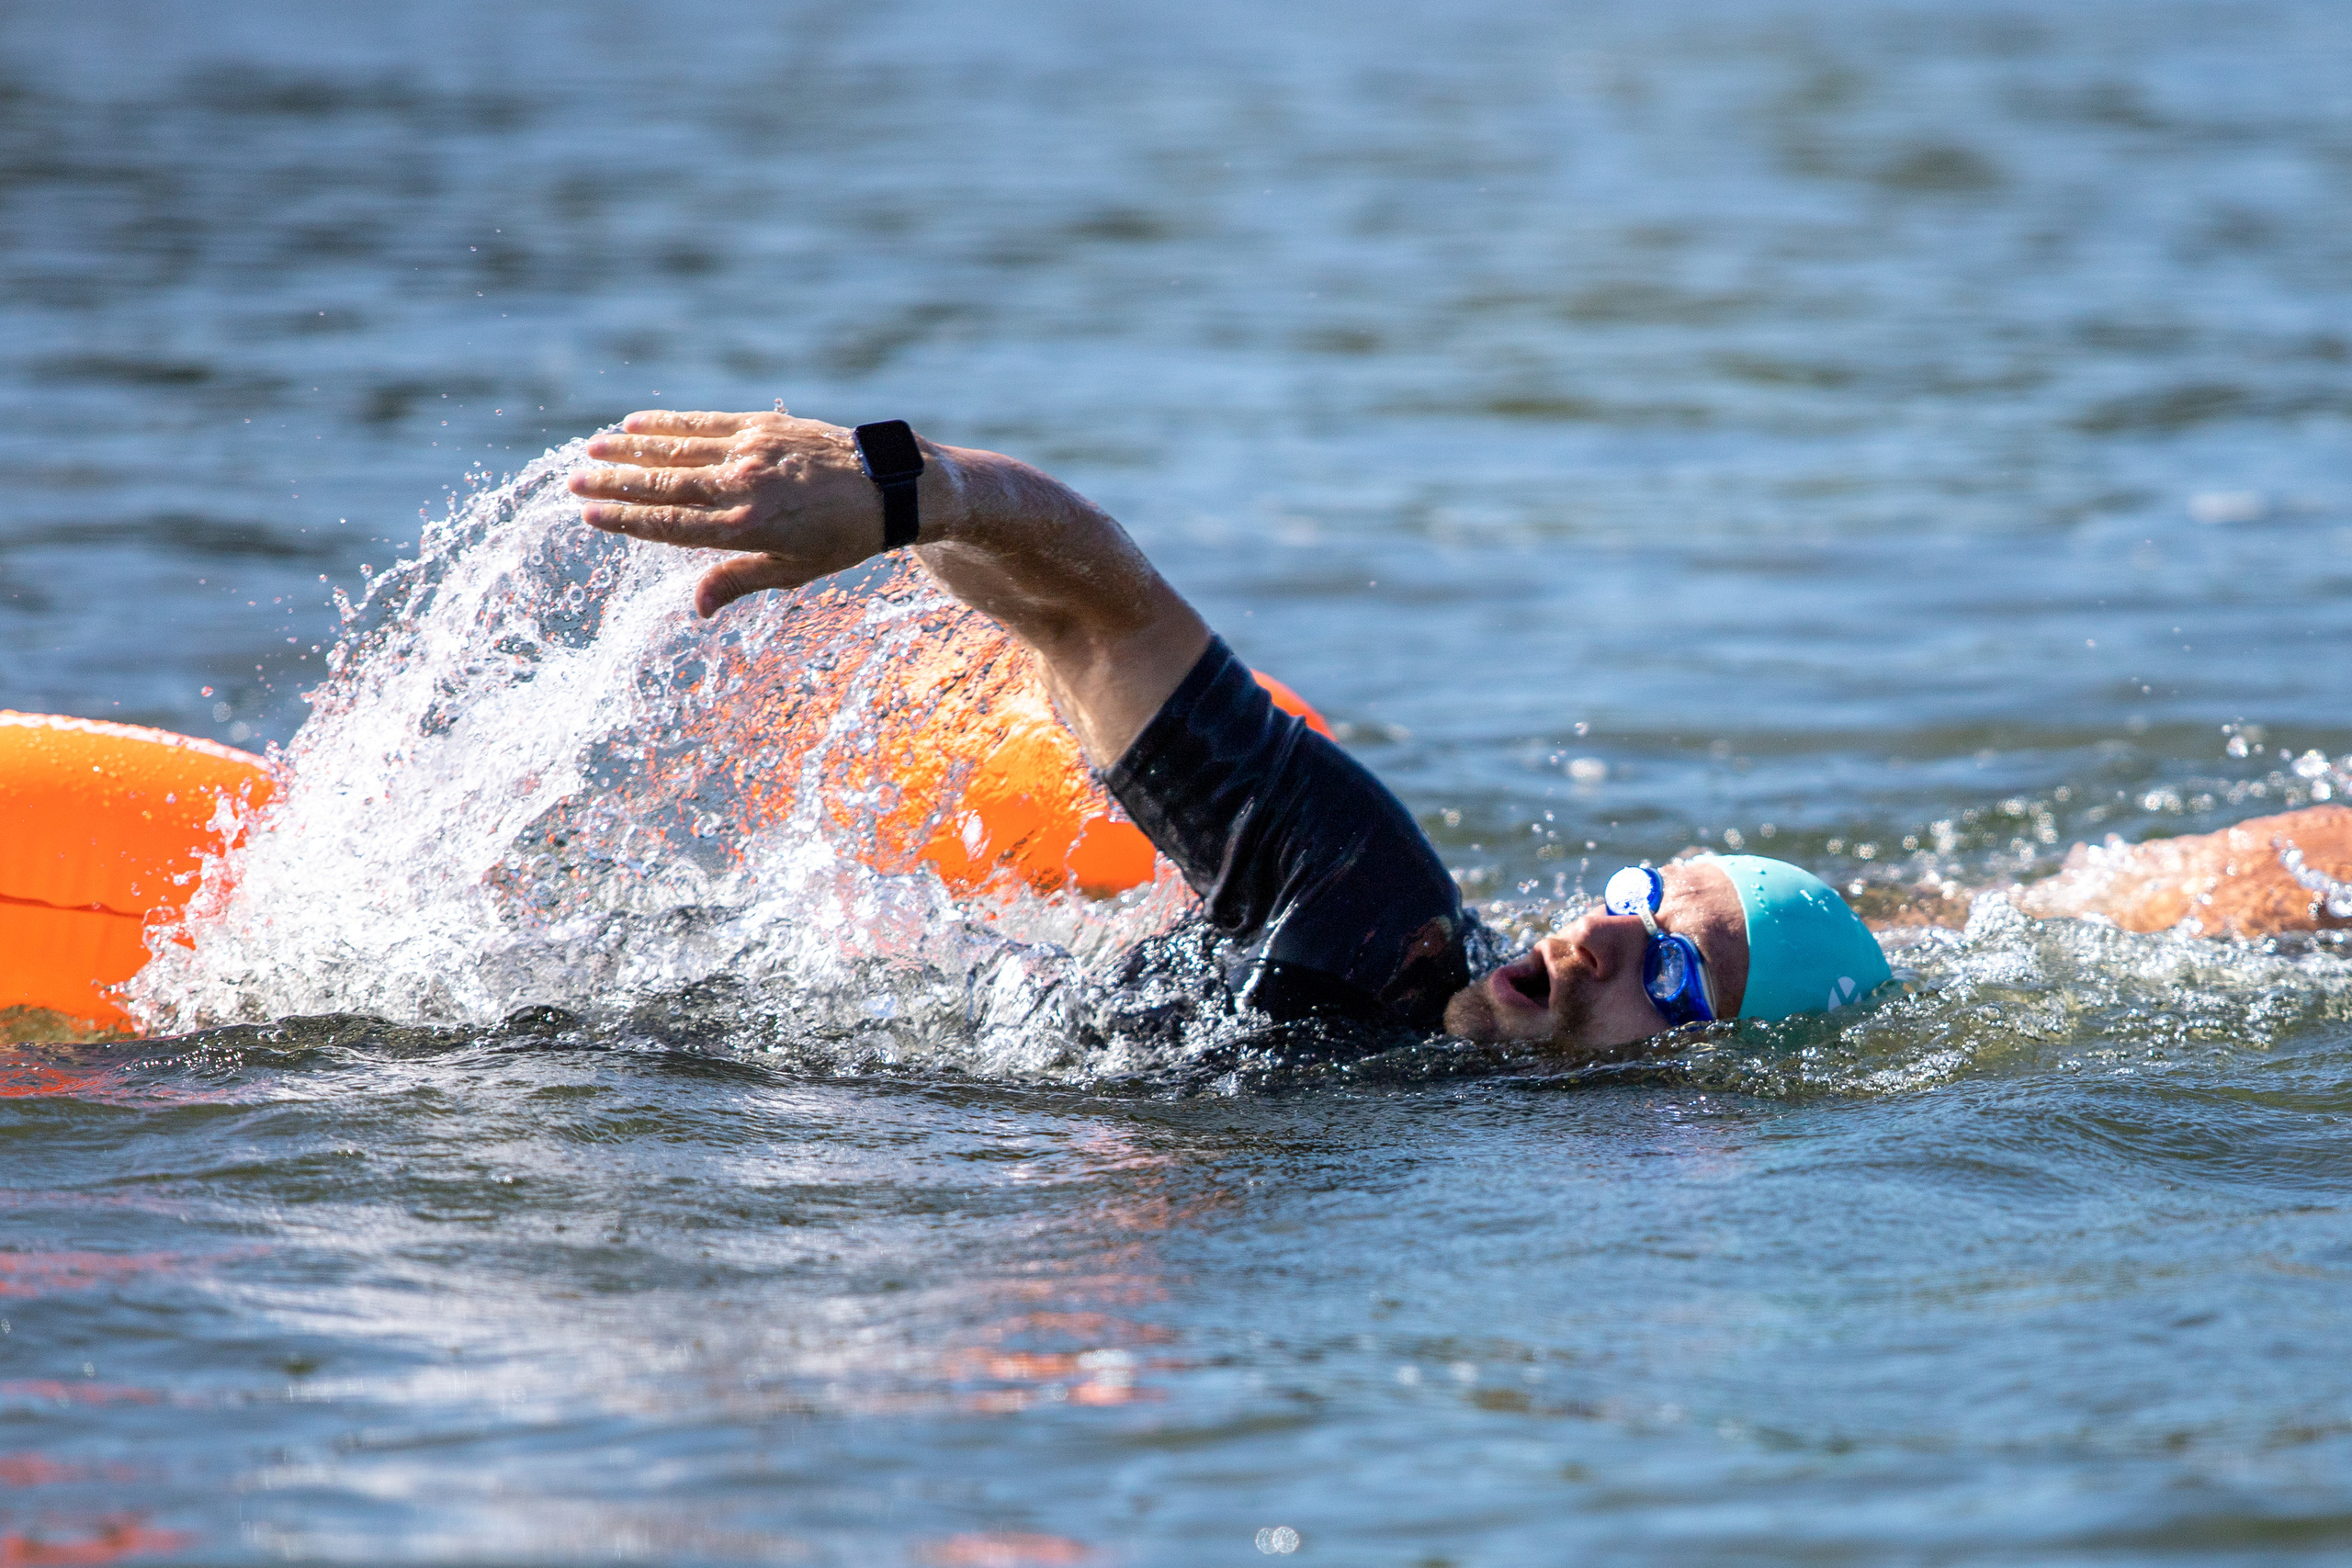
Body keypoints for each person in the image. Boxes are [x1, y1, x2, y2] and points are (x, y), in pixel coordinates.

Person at [567, 410, 2346, 1063]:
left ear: (1706, 1072)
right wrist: (897, 486)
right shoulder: (1377, 902)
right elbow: (1101, 599)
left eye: (1673, 968)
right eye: (1646, 895)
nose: (1600, 935)